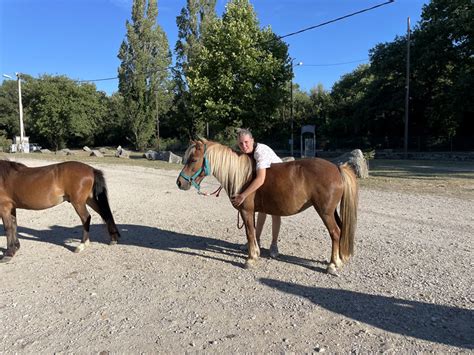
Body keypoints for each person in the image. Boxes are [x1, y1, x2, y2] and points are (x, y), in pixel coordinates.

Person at [231, 128, 283, 257]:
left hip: (277, 181)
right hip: (265, 181)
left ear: (252, 140)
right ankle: (256, 241)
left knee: (275, 214)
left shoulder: (261, 151)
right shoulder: (246, 152)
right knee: (262, 211)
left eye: (246, 142)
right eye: (241, 143)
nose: (244, 146)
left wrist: (243, 195)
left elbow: (260, 179)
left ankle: (274, 244)